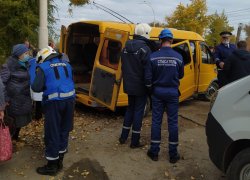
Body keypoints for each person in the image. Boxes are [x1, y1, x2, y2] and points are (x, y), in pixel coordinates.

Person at [32, 46, 75, 176]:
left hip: (54, 102)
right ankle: (60, 162)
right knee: (63, 130)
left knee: (52, 132)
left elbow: (36, 87)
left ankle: (51, 167)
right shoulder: (67, 65)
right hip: (70, 101)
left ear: (43, 57)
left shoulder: (44, 67)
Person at [145, 29, 184, 163]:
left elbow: (148, 78)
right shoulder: (178, 57)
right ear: (171, 40)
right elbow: (181, 75)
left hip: (158, 92)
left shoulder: (153, 56)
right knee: (173, 122)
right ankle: (173, 154)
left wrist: (152, 91)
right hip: (173, 92)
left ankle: (154, 152)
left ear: (160, 40)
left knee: (156, 121)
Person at [118, 23, 152, 148]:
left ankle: (123, 137)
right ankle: (135, 141)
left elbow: (124, 66)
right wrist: (150, 87)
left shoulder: (125, 47)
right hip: (141, 86)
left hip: (129, 85)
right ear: (146, 33)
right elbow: (147, 71)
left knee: (130, 110)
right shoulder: (145, 49)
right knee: (138, 112)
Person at [0, 44, 32, 141]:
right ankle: (8, 142)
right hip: (13, 99)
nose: (28, 55)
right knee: (12, 121)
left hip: (23, 98)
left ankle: (15, 137)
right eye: (25, 53)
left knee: (20, 121)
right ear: (19, 55)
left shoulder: (25, 64)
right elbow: (2, 84)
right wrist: (5, 99)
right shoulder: (8, 66)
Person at [28, 49, 43, 120]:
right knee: (39, 102)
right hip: (38, 83)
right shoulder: (42, 61)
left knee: (29, 101)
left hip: (28, 83)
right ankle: (38, 117)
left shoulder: (28, 61)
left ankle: (29, 116)